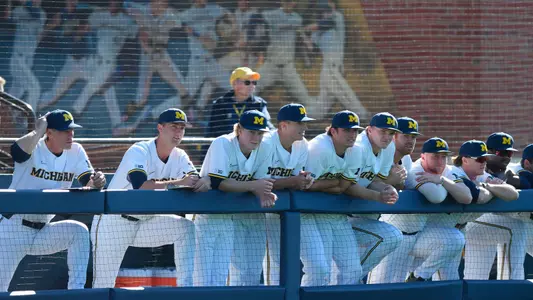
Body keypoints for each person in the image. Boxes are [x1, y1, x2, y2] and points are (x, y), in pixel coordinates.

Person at [91, 108, 208, 288]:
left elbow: (194, 180)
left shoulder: (180, 156)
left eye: (182, 128)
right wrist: (178, 182)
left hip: (147, 223)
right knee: (103, 285)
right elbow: (141, 186)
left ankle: (186, 289)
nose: (178, 132)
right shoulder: (140, 149)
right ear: (160, 128)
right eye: (174, 126)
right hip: (114, 223)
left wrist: (204, 181)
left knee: (186, 228)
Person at [0, 109, 106, 291]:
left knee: (78, 231)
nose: (71, 134)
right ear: (49, 133)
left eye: (72, 130)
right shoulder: (34, 146)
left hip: (43, 230)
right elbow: (16, 152)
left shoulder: (76, 150)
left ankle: (76, 292)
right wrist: (38, 131)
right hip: (13, 228)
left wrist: (97, 182)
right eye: (65, 130)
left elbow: (87, 180)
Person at [193, 110, 275, 286]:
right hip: (206, 215)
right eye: (251, 132)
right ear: (239, 130)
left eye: (260, 133)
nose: (256, 137)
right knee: (202, 278)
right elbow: (220, 183)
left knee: (222, 277)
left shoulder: (265, 148)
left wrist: (263, 191)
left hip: (230, 218)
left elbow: (259, 182)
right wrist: (255, 186)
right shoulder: (222, 143)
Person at [373, 137, 471, 283]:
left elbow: (467, 197)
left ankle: (418, 277)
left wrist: (441, 180)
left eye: (443, 156)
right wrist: (447, 185)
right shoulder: (415, 171)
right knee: (380, 284)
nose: (440, 161)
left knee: (455, 239)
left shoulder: (445, 171)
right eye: (435, 156)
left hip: (418, 235)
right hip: (394, 235)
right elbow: (436, 196)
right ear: (423, 156)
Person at [305, 110, 365, 285]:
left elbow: (342, 188)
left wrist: (329, 183)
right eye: (347, 130)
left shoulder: (356, 151)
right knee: (320, 271)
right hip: (311, 215)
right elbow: (306, 186)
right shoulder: (320, 148)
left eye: (355, 130)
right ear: (333, 131)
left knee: (354, 270)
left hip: (337, 215)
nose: (352, 135)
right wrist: (335, 182)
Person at [342, 112, 403, 283]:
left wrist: (387, 187)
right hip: (335, 214)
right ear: (369, 130)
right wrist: (378, 195)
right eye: (382, 131)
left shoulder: (388, 148)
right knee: (324, 270)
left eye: (391, 133)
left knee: (347, 271)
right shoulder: (358, 147)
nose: (387, 136)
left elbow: (374, 179)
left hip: (356, 216)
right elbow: (346, 186)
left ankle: (352, 280)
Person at [262, 103, 316, 286]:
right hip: (261, 210)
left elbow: (299, 177)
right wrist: (292, 182)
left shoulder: (302, 145)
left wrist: (305, 180)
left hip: (285, 211)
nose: (305, 127)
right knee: (273, 265)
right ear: (283, 125)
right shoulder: (266, 143)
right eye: (299, 123)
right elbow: (256, 184)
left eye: (305, 123)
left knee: (288, 264)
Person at [463, 135, 524, 280]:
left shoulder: (510, 172)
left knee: (475, 279)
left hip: (488, 224)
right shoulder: (473, 168)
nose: (506, 158)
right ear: (488, 152)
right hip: (465, 221)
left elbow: (516, 191)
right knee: (515, 227)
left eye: (509, 153)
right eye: (500, 153)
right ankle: (515, 286)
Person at [71, 0, 137, 130]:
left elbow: (137, 34)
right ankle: (117, 124)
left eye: (117, 2)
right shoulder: (99, 15)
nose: (113, 4)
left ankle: (72, 115)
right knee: (108, 93)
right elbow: (83, 30)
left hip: (108, 63)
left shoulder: (127, 21)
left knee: (90, 88)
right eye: (112, 2)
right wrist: (78, 26)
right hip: (92, 60)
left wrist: (133, 16)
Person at [303, 0, 368, 119]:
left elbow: (326, 23)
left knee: (342, 94)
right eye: (325, 11)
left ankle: (362, 114)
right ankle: (362, 115)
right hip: (327, 68)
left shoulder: (337, 18)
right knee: (337, 97)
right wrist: (305, 38)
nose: (328, 12)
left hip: (334, 66)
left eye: (329, 9)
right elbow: (312, 49)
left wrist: (308, 28)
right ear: (320, 13)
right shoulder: (318, 33)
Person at [255, 0, 316, 113]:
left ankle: (312, 120)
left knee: (306, 98)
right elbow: (257, 16)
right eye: (286, 1)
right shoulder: (271, 14)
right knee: (252, 88)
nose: (288, 3)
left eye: (291, 1)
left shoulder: (297, 18)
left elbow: (300, 33)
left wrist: (307, 41)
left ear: (295, 3)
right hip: (271, 66)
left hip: (288, 67)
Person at [206, 67, 272, 138]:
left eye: (254, 82)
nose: (252, 86)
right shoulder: (220, 104)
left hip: (251, 147)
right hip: (225, 147)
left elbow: (267, 126)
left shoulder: (259, 104)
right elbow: (211, 131)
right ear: (235, 84)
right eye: (247, 82)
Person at [8, 0, 46, 111]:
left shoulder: (42, 14)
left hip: (29, 59)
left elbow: (39, 35)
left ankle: (7, 116)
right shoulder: (20, 10)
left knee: (16, 92)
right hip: (18, 58)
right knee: (35, 88)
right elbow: (9, 18)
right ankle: (29, 123)